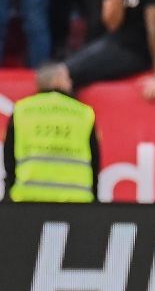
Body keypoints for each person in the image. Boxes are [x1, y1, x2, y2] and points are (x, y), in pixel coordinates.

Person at [3, 62, 99, 203]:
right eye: (67, 78)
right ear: (57, 80)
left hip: (27, 199)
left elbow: (9, 159)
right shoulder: (83, 113)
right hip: (76, 200)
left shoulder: (21, 110)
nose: (70, 83)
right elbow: (94, 162)